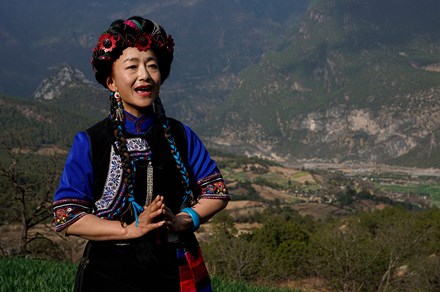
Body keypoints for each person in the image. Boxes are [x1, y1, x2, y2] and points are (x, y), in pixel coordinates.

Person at [52, 16, 230, 292]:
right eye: (132, 67)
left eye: (152, 66)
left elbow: (216, 191)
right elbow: (67, 216)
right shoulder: (91, 142)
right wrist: (128, 230)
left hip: (177, 270)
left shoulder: (181, 136)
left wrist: (185, 219)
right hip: (109, 275)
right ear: (111, 81)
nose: (144, 75)